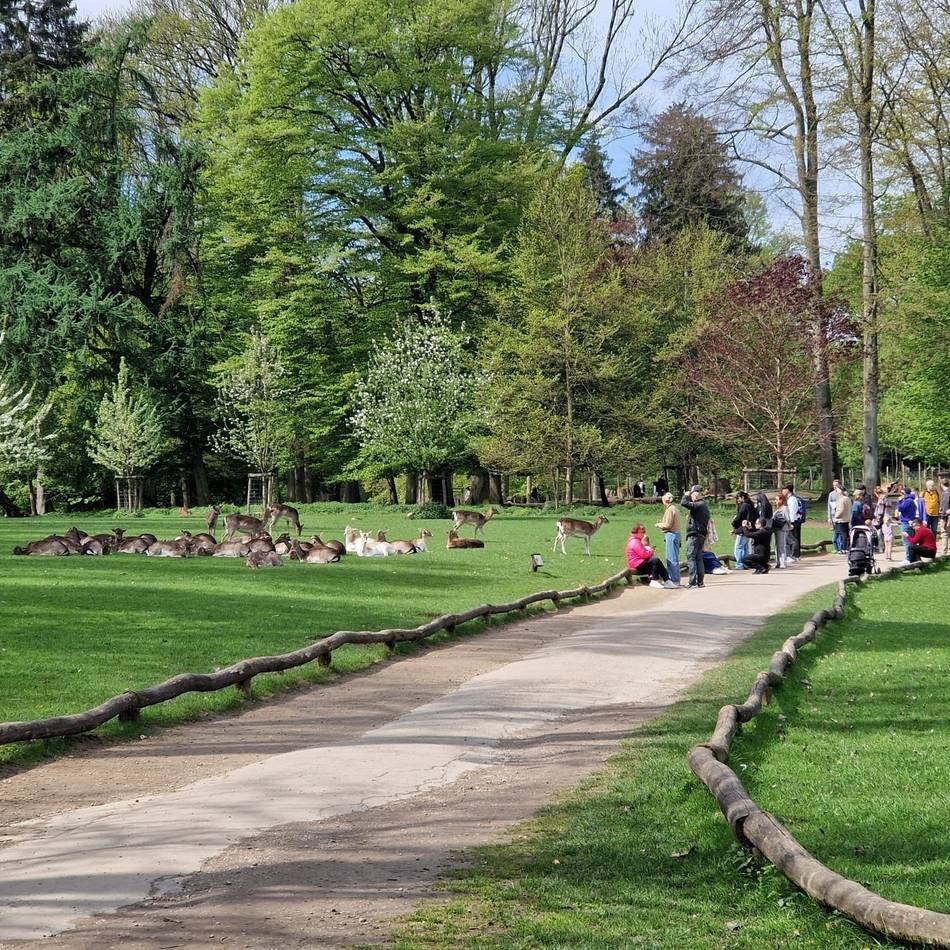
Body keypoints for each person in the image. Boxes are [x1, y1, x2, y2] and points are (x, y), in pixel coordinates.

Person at [625, 524, 677, 588]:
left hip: (638, 562)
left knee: (657, 561)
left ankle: (667, 581)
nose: (644, 534)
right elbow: (643, 554)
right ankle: (656, 580)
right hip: (637, 564)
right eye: (642, 532)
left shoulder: (636, 540)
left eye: (644, 532)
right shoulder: (635, 542)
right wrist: (651, 551)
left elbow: (643, 553)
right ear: (637, 532)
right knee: (655, 560)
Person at [680, 485, 710, 589]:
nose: (691, 496)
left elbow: (684, 503)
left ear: (696, 494)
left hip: (695, 534)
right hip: (701, 534)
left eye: (692, 494)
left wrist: (685, 495)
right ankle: (700, 582)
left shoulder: (699, 505)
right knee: (698, 557)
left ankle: (692, 582)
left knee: (691, 557)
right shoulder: (703, 505)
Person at [655, 493, 682, 586]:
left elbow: (668, 525)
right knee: (674, 557)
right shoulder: (674, 508)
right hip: (676, 534)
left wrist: (659, 525)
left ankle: (674, 580)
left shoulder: (670, 510)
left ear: (665, 500)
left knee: (671, 558)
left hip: (671, 535)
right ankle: (675, 579)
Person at [731, 491, 756, 570]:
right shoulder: (750, 505)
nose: (737, 500)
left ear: (742, 497)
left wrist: (734, 524)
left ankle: (740, 564)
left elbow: (739, 517)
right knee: (745, 547)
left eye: (738, 498)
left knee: (739, 547)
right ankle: (745, 563)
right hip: (749, 529)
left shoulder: (744, 506)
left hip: (742, 529)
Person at [896, 487, 918, 561]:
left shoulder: (907, 501)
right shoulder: (911, 500)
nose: (901, 495)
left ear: (905, 493)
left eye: (902, 493)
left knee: (906, 541)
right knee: (910, 541)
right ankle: (912, 558)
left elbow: (900, 508)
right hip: (910, 522)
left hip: (906, 523)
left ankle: (908, 559)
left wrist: (899, 501)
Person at [772, 492, 791, 569]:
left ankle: (783, 562)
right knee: (777, 545)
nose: (775, 501)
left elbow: (787, 518)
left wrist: (790, 525)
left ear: (781, 500)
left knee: (782, 546)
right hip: (777, 528)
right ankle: (778, 562)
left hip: (783, 529)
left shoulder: (784, 508)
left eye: (777, 500)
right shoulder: (777, 509)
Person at [784, 483, 801, 560]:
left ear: (787, 490)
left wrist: (790, 522)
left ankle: (794, 555)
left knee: (793, 539)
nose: (783, 491)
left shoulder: (792, 499)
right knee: (793, 538)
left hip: (792, 521)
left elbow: (792, 511)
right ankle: (794, 555)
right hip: (791, 521)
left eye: (784, 489)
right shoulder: (789, 499)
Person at [832, 487, 853, 554]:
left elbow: (841, 510)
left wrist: (836, 516)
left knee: (842, 535)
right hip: (847, 519)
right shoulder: (848, 499)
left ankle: (842, 549)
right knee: (845, 534)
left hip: (841, 520)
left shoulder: (841, 500)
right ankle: (845, 548)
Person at [827, 478, 844, 552]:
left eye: (836, 485)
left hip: (841, 516)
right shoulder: (831, 494)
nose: (835, 487)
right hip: (834, 516)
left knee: (839, 532)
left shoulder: (843, 494)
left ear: (840, 485)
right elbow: (829, 506)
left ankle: (840, 548)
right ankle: (837, 548)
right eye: (834, 485)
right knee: (836, 532)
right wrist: (829, 517)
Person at [940, 478, 950, 555]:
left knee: (944, 533)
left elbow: (945, 508)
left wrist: (943, 518)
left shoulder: (946, 493)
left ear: (941, 484)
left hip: (946, 517)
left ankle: (944, 552)